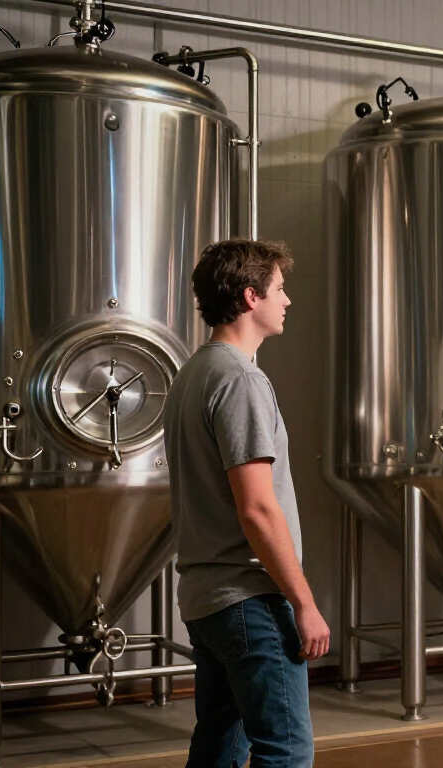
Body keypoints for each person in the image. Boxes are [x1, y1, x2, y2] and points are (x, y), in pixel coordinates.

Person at [164, 238, 326, 768]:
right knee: (284, 751)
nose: (288, 300)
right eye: (280, 289)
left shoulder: (193, 374)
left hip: (207, 600)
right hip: (250, 598)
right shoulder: (239, 379)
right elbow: (257, 509)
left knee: (219, 747)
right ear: (251, 296)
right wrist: (303, 604)